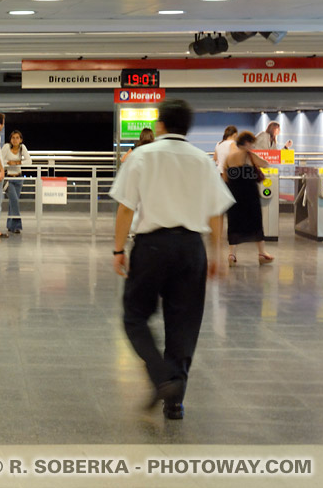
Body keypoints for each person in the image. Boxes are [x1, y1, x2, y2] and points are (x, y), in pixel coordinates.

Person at [110, 99, 234, 420]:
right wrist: (217, 253)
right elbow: (216, 212)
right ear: (188, 127)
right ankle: (175, 400)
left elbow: (126, 207)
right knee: (184, 324)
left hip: (151, 247)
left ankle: (161, 376)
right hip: (191, 248)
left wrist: (118, 249)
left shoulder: (141, 156)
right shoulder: (202, 161)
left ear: (160, 125)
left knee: (134, 316)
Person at [224, 131, 274, 266]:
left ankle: (232, 255)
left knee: (234, 224)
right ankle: (262, 253)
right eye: (251, 143)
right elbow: (265, 164)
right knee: (256, 223)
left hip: (234, 196)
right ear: (246, 143)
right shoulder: (249, 156)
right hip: (250, 196)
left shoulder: (229, 158)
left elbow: (225, 177)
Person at [0, 129, 31, 234]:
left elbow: (29, 162)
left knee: (13, 202)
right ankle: (17, 225)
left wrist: (18, 162)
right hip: (8, 178)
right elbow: (0, 160)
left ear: (21, 140)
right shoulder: (6, 147)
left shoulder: (23, 148)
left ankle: (10, 225)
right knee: (14, 201)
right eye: (13, 138)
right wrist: (9, 162)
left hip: (19, 178)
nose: (15, 140)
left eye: (17, 138)